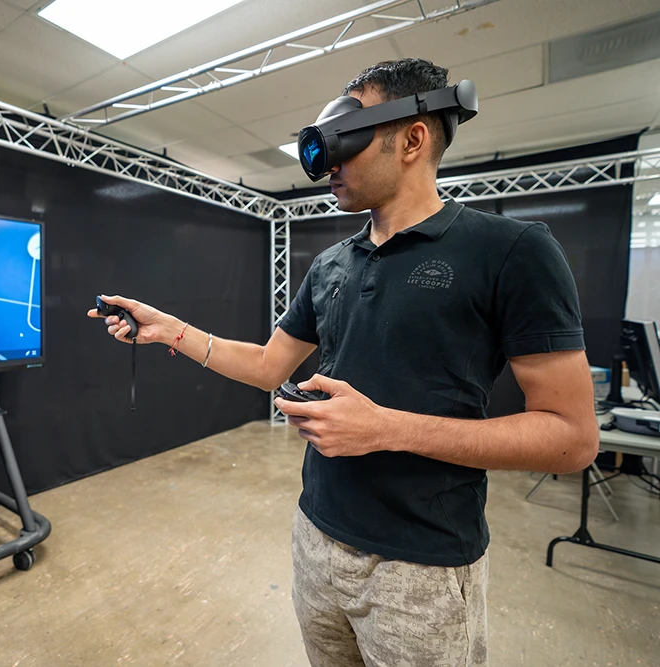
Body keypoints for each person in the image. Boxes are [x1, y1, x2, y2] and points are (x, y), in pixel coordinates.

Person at [88, 58, 599, 666]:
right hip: (317, 537)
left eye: (347, 140)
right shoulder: (333, 263)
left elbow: (571, 440)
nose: (330, 165)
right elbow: (267, 364)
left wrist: (386, 428)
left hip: (422, 567)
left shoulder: (511, 251)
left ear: (413, 138)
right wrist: (169, 331)